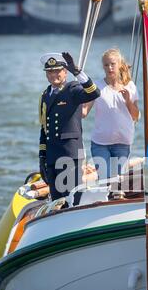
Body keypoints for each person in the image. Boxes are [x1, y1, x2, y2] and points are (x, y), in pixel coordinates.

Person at [38, 52, 100, 203]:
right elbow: (44, 128)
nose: (54, 75)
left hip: (70, 154)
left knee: (73, 198)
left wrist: (77, 72)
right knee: (56, 201)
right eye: (50, 72)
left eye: (57, 71)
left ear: (65, 72)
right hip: (52, 156)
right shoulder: (45, 95)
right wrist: (42, 157)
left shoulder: (73, 89)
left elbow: (94, 92)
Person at [82, 48, 139, 180]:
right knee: (105, 181)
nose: (110, 67)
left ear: (119, 65)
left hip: (122, 142)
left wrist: (128, 101)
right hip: (100, 143)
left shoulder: (130, 86)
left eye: (113, 64)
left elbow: (136, 116)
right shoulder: (96, 87)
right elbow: (84, 112)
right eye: (106, 65)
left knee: (119, 183)